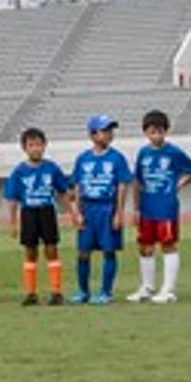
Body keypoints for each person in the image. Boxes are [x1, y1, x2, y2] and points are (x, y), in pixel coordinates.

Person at [130, 109, 191, 304]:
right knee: (145, 246)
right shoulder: (143, 153)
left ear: (166, 131)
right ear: (146, 133)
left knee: (168, 245)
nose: (156, 135)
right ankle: (147, 287)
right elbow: (137, 181)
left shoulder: (174, 152)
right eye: (152, 131)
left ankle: (168, 289)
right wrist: (135, 208)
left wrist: (177, 185)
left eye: (160, 131)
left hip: (166, 207)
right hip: (147, 207)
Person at [3, 127, 70, 306]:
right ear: (24, 148)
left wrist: (73, 212)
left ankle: (56, 291)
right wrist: (12, 223)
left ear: (45, 146)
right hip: (29, 212)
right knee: (30, 251)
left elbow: (63, 192)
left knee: (51, 249)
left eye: (39, 144)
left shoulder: (52, 168)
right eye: (31, 145)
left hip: (47, 211)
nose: (35, 148)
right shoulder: (19, 172)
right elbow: (12, 199)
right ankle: (31, 292)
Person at [70, 115, 132, 305]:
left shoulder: (117, 158)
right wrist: (77, 212)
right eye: (104, 130)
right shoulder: (83, 159)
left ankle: (106, 291)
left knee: (109, 250)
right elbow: (78, 186)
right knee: (83, 251)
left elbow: (122, 185)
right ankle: (83, 290)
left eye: (110, 130)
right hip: (88, 208)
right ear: (93, 134)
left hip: (107, 207)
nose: (109, 134)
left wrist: (119, 212)